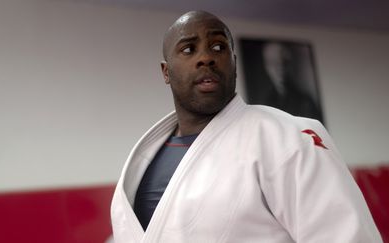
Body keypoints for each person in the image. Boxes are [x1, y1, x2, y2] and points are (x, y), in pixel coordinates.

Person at [110, 10, 382, 243]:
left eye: (218, 47)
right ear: (166, 72)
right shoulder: (145, 161)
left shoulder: (288, 138)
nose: (206, 57)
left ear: (234, 64)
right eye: (189, 49)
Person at [260, 41, 323, 121]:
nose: (279, 68)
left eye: (284, 62)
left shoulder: (305, 102)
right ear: (266, 67)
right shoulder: (264, 104)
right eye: (273, 63)